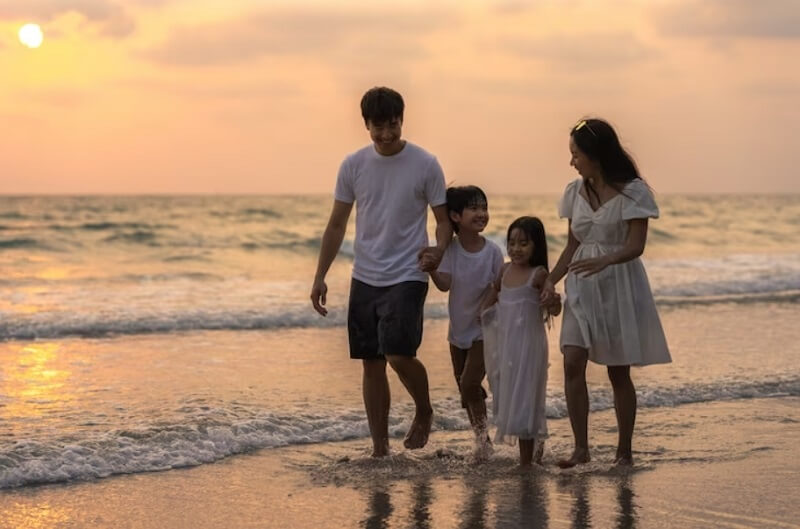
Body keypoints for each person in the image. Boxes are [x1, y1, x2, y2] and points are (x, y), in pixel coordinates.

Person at [310, 86, 452, 457]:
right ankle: (379, 449)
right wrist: (320, 275)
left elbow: (442, 220)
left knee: (398, 354)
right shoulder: (353, 165)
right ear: (366, 125)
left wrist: (438, 251)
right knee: (371, 363)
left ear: (402, 120)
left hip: (408, 273)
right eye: (378, 127)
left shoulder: (425, 163)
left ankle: (423, 409)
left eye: (393, 125)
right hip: (365, 276)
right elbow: (337, 224)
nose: (386, 134)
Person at [541, 118, 671, 468]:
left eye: (576, 154)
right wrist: (550, 280)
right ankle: (581, 449)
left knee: (618, 372)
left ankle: (624, 451)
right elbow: (572, 245)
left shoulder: (633, 191)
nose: (572, 162)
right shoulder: (573, 192)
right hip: (582, 285)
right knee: (571, 360)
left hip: (618, 285)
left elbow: (636, 246)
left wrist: (606, 260)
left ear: (595, 154)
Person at [428, 185, 504, 459]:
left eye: (484, 207)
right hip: (457, 331)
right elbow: (446, 284)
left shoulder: (493, 252)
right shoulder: (451, 250)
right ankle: (482, 442)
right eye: (474, 208)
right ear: (456, 217)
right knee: (465, 388)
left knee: (470, 383)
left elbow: (499, 286)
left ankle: (487, 437)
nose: (482, 213)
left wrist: (487, 304)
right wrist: (431, 270)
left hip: (485, 329)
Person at [481, 216, 560, 466]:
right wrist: (480, 316)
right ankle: (534, 451)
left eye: (523, 243)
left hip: (530, 346)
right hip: (507, 347)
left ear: (536, 246)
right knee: (510, 395)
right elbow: (492, 296)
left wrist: (553, 301)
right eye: (511, 243)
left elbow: (555, 308)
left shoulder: (538, 274)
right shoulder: (504, 271)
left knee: (526, 398)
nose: (516, 249)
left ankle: (526, 462)